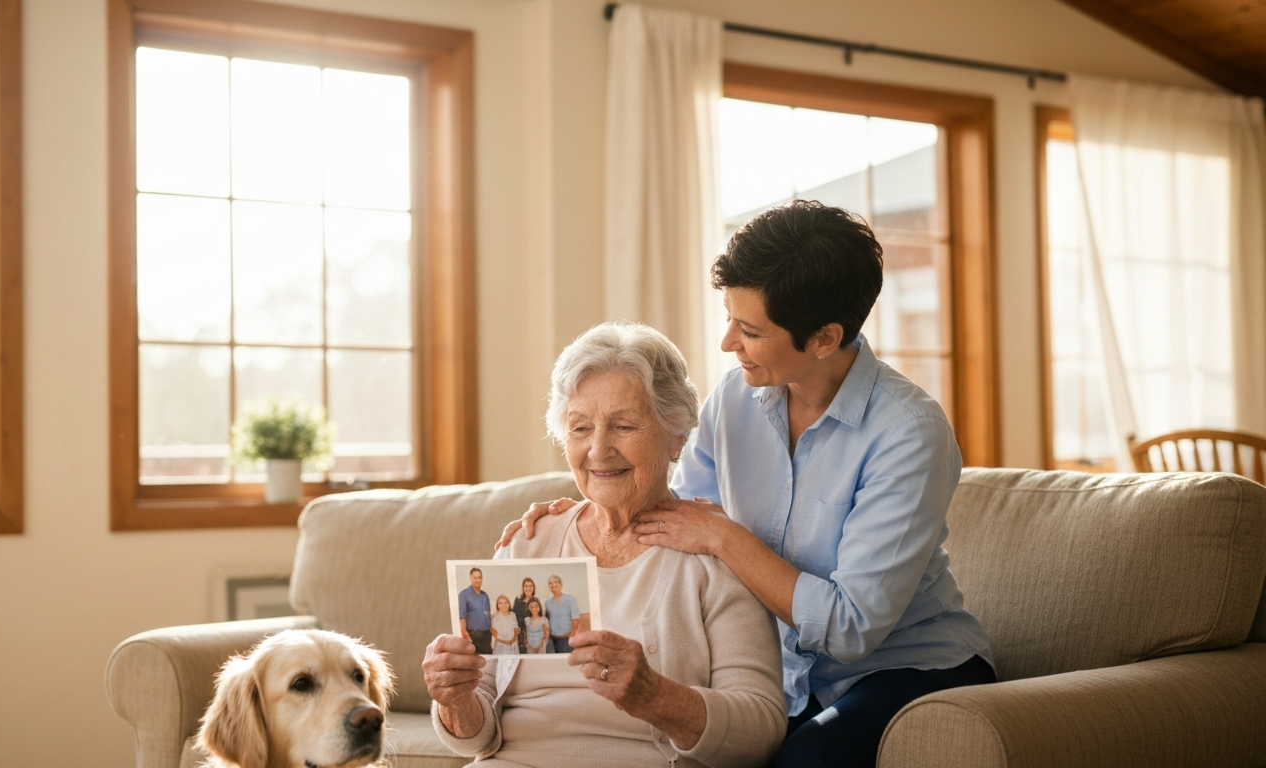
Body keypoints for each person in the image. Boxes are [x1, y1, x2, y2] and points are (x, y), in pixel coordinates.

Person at [498, 202, 997, 768]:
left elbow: (850, 628)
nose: (727, 343)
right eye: (730, 317)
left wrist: (726, 539)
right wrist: (591, 500)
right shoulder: (734, 399)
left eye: (750, 330)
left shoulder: (908, 433)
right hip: (779, 673)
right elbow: (674, 514)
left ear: (825, 337)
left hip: (896, 669)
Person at [423, 322, 787, 767]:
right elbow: (476, 735)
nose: (598, 450)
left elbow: (761, 731)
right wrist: (455, 699)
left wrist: (657, 697)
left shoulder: (716, 555)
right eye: (580, 428)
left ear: (676, 438)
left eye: (624, 425)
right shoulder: (530, 542)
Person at [543, 575, 582, 653]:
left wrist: (572, 634)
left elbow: (575, 618)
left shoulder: (571, 600)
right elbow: (546, 620)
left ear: (561, 584)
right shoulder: (547, 603)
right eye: (550, 583)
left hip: (567, 639)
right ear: (549, 586)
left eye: (556, 582)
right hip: (552, 639)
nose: (553, 585)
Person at [458, 567, 493, 655]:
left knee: (488, 661)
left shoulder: (485, 596)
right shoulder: (464, 595)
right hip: (473, 635)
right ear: (470, 579)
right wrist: (465, 634)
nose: (477, 580)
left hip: (486, 636)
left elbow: (487, 614)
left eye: (479, 577)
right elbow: (462, 616)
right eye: (475, 578)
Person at [513, 578, 540, 654]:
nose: (528, 588)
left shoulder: (536, 601)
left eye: (530, 586)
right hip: (520, 637)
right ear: (523, 588)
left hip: (534, 635)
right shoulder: (518, 601)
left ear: (534, 588)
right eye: (526, 586)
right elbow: (513, 618)